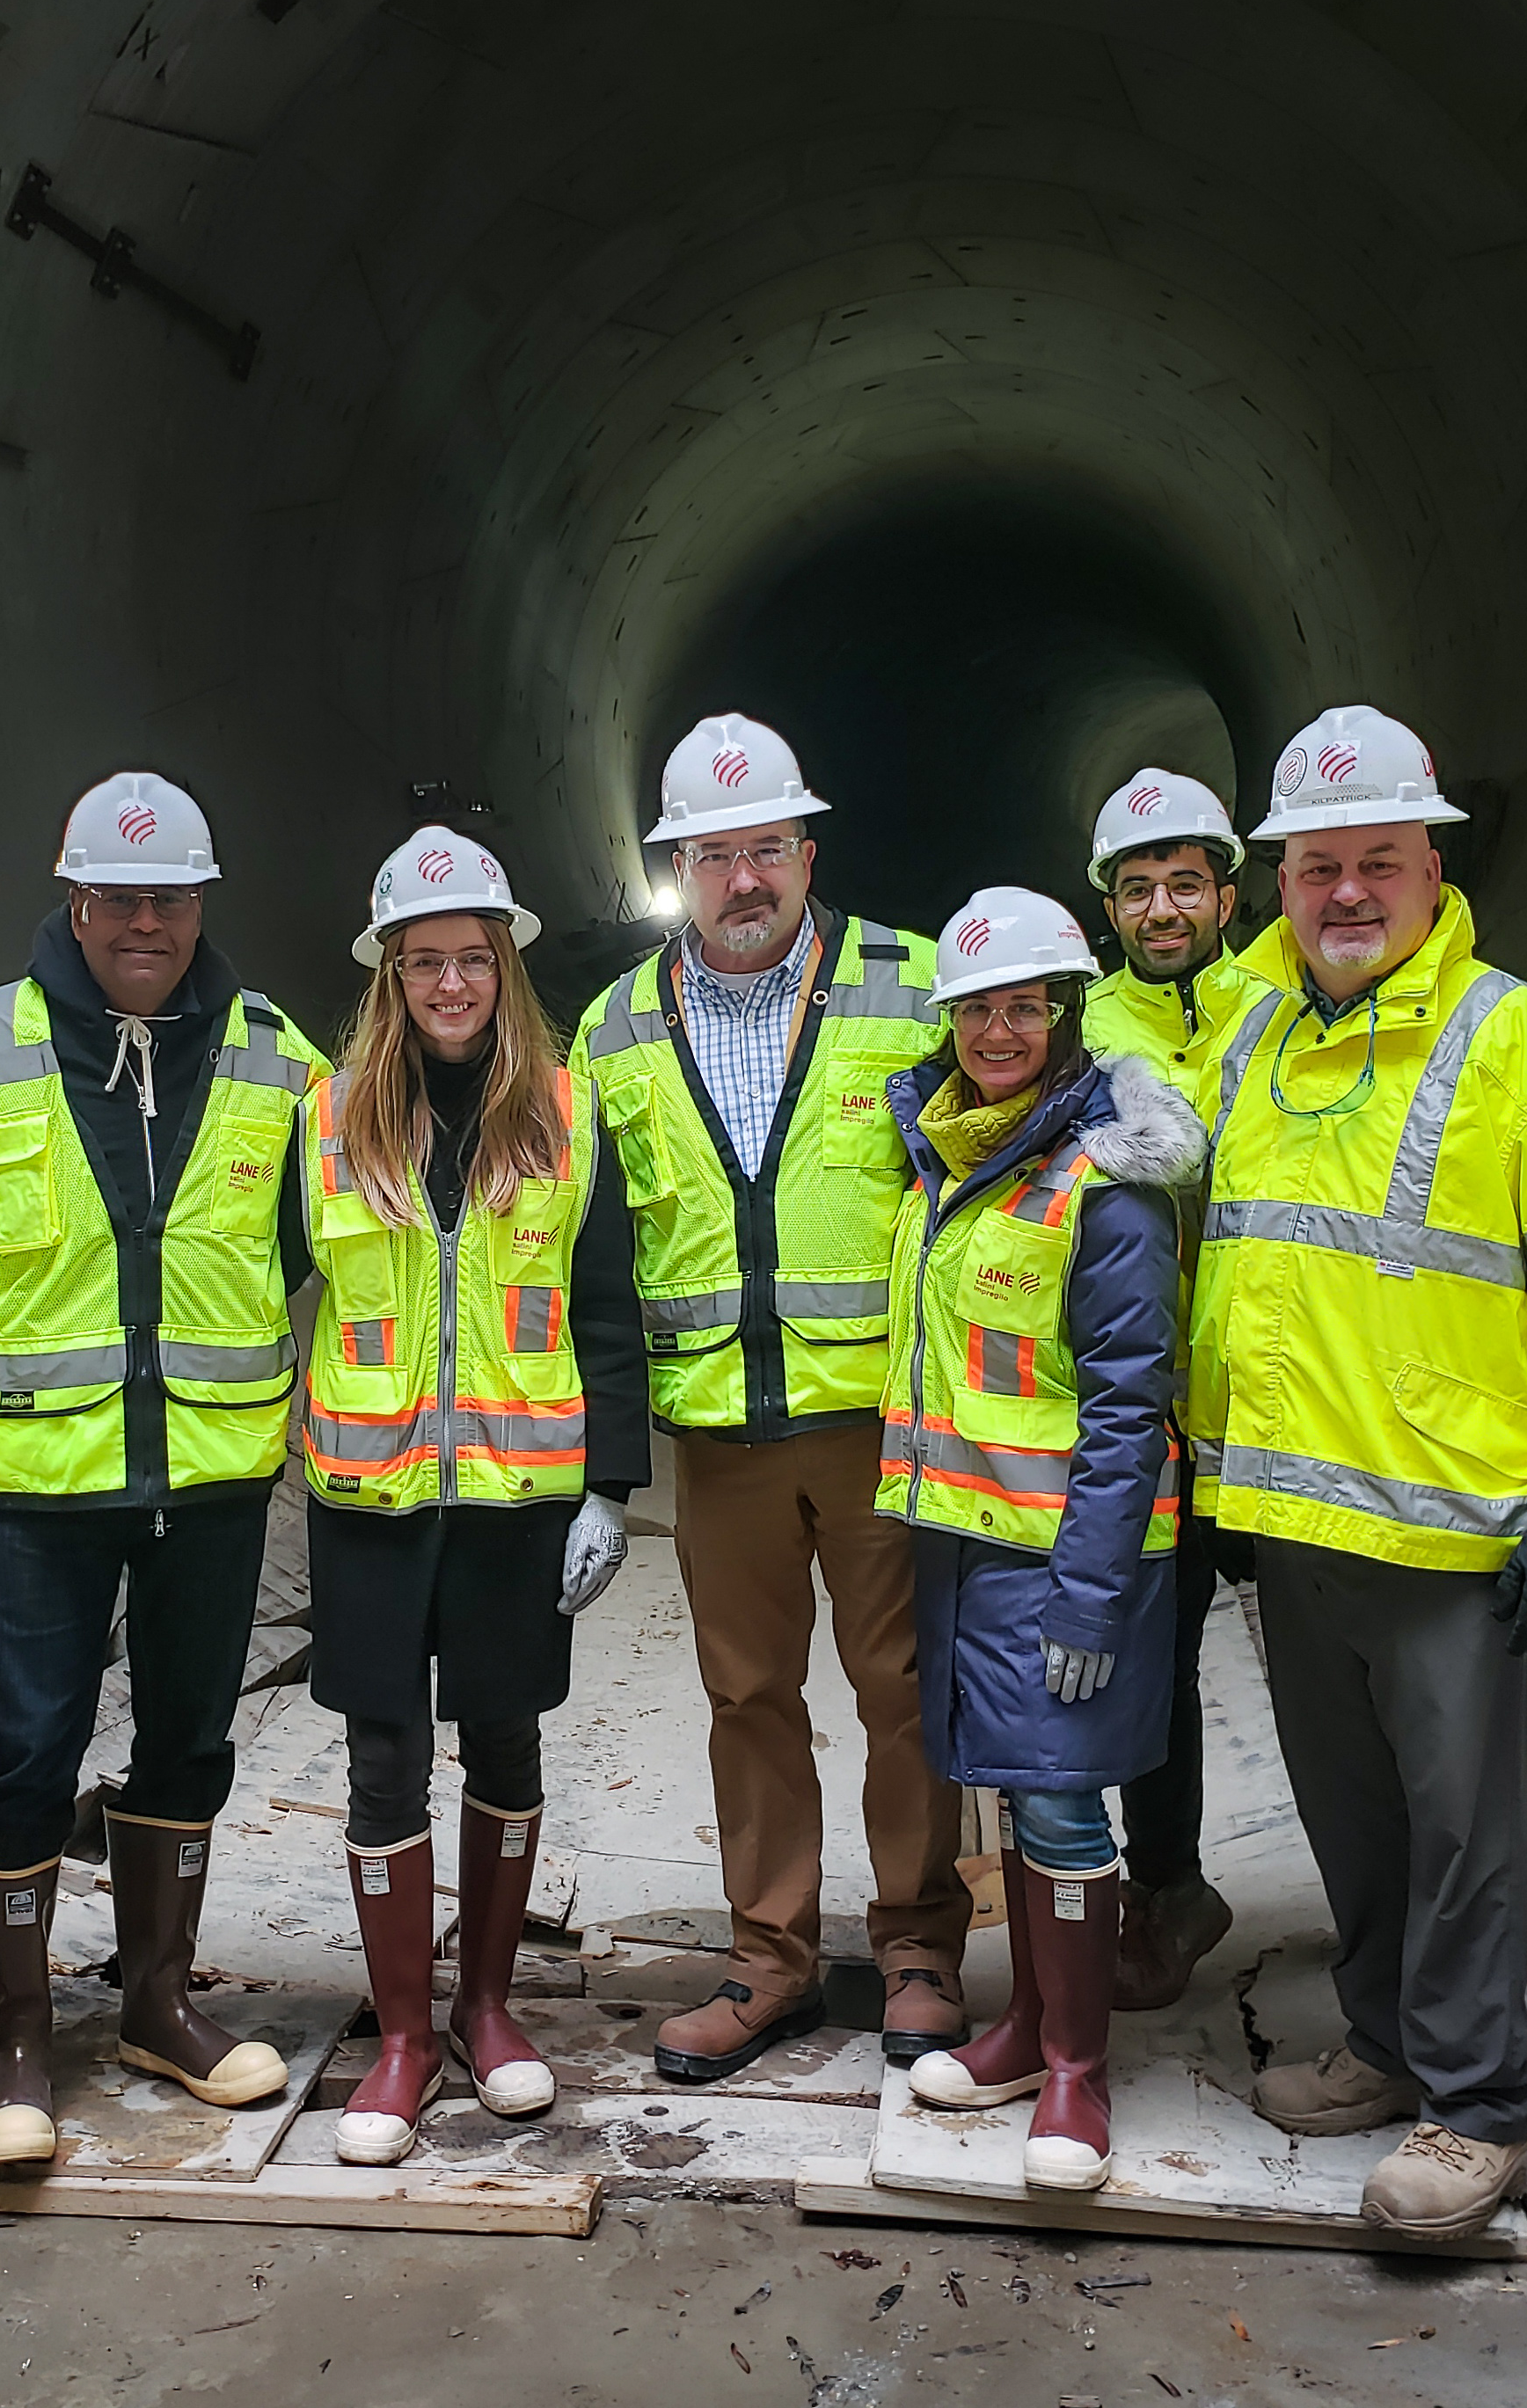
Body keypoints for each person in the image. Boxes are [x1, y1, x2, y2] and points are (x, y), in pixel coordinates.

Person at [1189, 704, 1527, 2239]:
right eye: (1318, 864)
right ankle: (1391, 2043)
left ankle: (1478, 2108)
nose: (1347, 893)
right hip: (1296, 1521)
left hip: (1465, 1538)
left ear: (1433, 867)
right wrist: (1217, 1480)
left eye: (1379, 864)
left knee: (1469, 1833)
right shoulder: (1247, 1035)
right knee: (1355, 1821)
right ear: (1278, 877)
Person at [0, 771, 325, 2167]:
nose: (146, 921)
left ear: (200, 906)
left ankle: (155, 2003)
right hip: (36, 1479)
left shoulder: (274, 1054)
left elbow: (332, 1221)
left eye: (171, 898)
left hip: (210, 1471)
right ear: (73, 900)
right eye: (120, 898)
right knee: (25, 1752)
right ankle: (20, 2033)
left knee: (191, 1736)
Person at [574, 713, 971, 2083]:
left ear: (809, 852)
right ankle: (772, 1962)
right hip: (720, 1433)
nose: (745, 882)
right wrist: (599, 1465)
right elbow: (593, 1260)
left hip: (879, 1421)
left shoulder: (912, 986)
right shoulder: (616, 1026)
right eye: (715, 856)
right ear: (677, 867)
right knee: (749, 1699)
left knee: (906, 1690)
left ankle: (920, 1950)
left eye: (769, 851)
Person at [300, 829, 652, 2164]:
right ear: (389, 978)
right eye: (424, 963)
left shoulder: (567, 1110)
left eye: (473, 960)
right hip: (373, 1505)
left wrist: (608, 1489)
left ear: (505, 969)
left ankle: (489, 2013)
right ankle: (402, 2039)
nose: (451, 984)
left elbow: (605, 1304)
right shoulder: (323, 1122)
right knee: (382, 1758)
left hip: (516, 1502)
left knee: (504, 1746)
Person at [880, 888, 1205, 2189]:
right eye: (976, 1006)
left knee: (1066, 1806)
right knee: (1015, 1790)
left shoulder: (1105, 1182)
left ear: (1067, 1012)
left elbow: (1133, 1402)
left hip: (1064, 1552)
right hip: (966, 1542)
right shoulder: (954, 1155)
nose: (997, 1029)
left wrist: (1088, 1593)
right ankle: (1024, 2029)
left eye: (1024, 1005)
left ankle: (1076, 2076)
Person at [1078, 769, 1257, 2010]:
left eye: (1183, 884)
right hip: (1157, 1415)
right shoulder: (1081, 1031)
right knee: (1156, 1659)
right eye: (1137, 888)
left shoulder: (1288, 1009)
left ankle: (1385, 1917)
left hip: (1289, 1406)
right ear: (1110, 910)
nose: (1161, 909)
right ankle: (1170, 1885)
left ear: (1228, 895)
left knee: (1328, 1676)